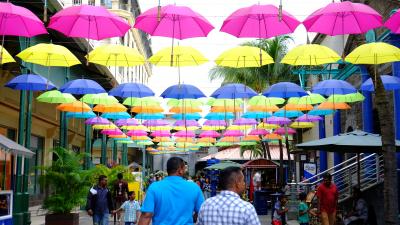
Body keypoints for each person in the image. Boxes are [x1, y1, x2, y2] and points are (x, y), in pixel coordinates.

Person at [138, 157, 204, 225]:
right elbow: (202, 212)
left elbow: (146, 215)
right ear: (180, 170)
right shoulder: (194, 188)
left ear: (167, 170)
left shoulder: (154, 187)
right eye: (184, 168)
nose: (185, 170)